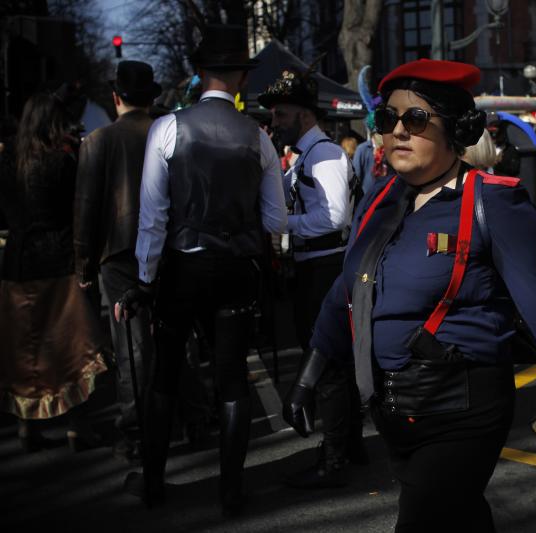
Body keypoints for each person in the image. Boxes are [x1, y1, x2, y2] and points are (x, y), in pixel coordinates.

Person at [282, 59, 536, 532]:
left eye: (415, 119)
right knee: (463, 519)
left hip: (462, 412)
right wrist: (309, 374)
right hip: (394, 411)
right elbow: (346, 290)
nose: (397, 130)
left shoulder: (493, 202)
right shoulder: (381, 199)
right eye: (386, 118)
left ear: (456, 129)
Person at [116, 24, 287, 515]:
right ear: (241, 78)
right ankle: (231, 492)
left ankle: (153, 482)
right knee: (232, 381)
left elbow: (153, 217)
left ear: (198, 73)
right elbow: (275, 220)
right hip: (235, 268)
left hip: (183, 266)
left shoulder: (167, 128)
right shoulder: (258, 138)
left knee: (165, 376)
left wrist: (145, 279)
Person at [259, 68, 367, 488]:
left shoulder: (323, 155)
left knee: (327, 365)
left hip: (324, 270)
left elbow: (334, 217)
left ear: (304, 114)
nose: (275, 122)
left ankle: (335, 458)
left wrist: (284, 224)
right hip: (315, 268)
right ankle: (349, 447)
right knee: (334, 361)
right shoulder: (309, 155)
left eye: (281, 114)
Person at [0, 91, 108, 452]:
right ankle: (78, 425)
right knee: (71, 346)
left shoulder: (8, 160)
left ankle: (26, 424)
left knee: (25, 347)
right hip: (59, 259)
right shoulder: (62, 161)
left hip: (18, 262)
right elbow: (78, 210)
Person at [73, 60, 162, 462]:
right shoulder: (169, 133)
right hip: (167, 247)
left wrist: (84, 263)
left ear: (116, 98)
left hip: (119, 251)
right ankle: (192, 413)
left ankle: (136, 431)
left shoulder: (99, 140)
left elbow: (86, 208)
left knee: (131, 344)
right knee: (176, 334)